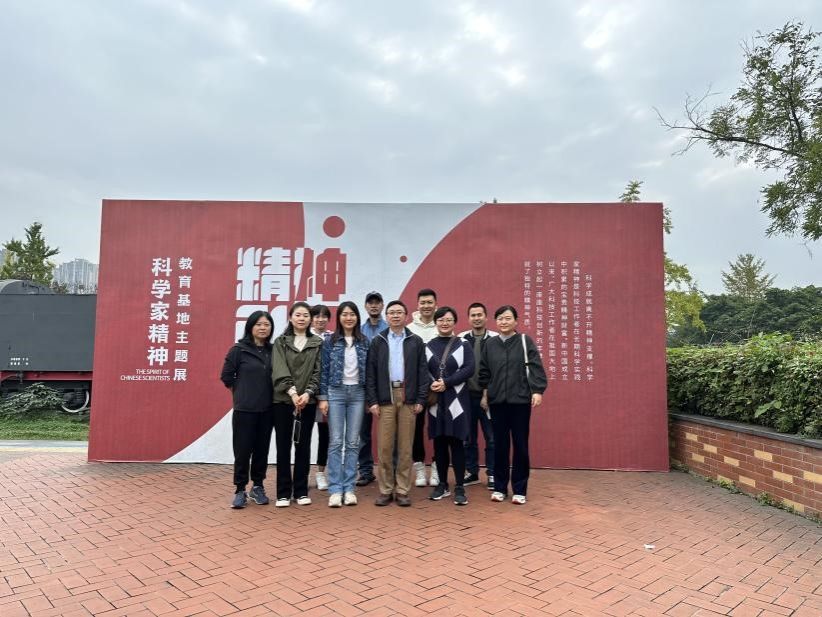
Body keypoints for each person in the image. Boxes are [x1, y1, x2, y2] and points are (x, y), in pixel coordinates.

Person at [479, 305, 547, 505]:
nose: (504, 322)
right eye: (500, 318)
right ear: (496, 321)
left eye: (508, 318)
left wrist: (537, 391)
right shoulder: (490, 344)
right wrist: (486, 394)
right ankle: (500, 488)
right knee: (499, 445)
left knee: (520, 445)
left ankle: (519, 489)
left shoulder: (525, 341)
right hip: (497, 402)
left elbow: (536, 367)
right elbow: (484, 372)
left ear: (516, 321)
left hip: (520, 401)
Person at [366, 300, 430, 507]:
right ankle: (386, 490)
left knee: (405, 447)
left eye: (399, 312)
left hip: (408, 396)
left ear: (406, 316)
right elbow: (370, 373)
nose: (395, 316)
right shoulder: (378, 341)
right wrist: (373, 401)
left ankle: (402, 490)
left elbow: (423, 372)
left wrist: (420, 399)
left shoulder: (415, 341)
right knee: (385, 447)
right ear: (387, 317)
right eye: (391, 312)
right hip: (385, 398)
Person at [220, 311, 276, 509]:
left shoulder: (273, 351)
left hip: (267, 410)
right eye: (259, 324)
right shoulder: (238, 350)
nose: (263, 328)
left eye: (266, 325)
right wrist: (241, 392)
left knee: (262, 450)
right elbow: (226, 376)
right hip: (244, 410)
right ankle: (240, 489)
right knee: (242, 451)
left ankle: (258, 486)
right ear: (250, 326)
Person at [317, 301, 369, 507]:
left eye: (352, 314)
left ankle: (349, 488)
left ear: (357, 317)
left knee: (353, 442)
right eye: (344, 314)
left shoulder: (364, 341)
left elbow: (370, 372)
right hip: (335, 393)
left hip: (358, 394)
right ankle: (335, 489)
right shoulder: (330, 341)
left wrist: (370, 398)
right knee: (336, 441)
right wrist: (323, 397)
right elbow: (323, 370)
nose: (348, 318)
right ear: (339, 318)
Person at [272, 302, 323, 507]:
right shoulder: (281, 342)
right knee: (283, 445)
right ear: (291, 318)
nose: (302, 318)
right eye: (298, 315)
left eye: (305, 315)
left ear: (310, 319)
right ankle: (283, 493)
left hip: (307, 403)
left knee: (303, 446)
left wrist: (308, 393)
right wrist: (293, 393)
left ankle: (301, 491)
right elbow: (279, 369)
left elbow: (318, 371)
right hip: (283, 401)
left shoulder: (317, 343)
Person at [426, 307, 474, 506]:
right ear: (435, 322)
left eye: (448, 320)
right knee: (439, 443)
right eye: (440, 320)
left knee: (457, 442)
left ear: (455, 322)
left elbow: (469, 368)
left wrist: (447, 382)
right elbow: (423, 370)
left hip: (457, 401)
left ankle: (460, 486)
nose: (444, 323)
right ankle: (442, 484)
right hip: (436, 402)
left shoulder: (463, 344)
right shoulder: (428, 345)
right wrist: (432, 383)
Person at [460, 302, 497, 490]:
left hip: (488, 398)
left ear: (486, 317)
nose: (476, 318)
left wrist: (486, 394)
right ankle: (472, 472)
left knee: (492, 438)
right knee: (468, 438)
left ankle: (492, 473)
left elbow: (496, 370)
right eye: (473, 315)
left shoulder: (495, 339)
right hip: (466, 397)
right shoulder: (461, 339)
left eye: (479, 315)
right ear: (468, 318)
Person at [407, 288, 439, 487]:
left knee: (438, 428)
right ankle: (419, 468)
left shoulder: (443, 325)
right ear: (417, 305)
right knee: (415, 429)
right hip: (416, 389)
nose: (426, 306)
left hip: (438, 389)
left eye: (430, 302)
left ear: (436, 304)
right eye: (423, 303)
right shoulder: (409, 329)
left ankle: (436, 467)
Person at [356, 291, 388, 487]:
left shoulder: (390, 328)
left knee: (389, 432)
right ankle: (366, 471)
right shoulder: (359, 331)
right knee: (363, 433)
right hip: (363, 387)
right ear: (366, 306)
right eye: (370, 303)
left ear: (382, 305)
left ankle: (388, 472)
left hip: (386, 386)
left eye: (377, 302)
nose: (374, 305)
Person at [310, 304, 333, 491]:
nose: (320, 319)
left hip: (326, 394)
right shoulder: (304, 337)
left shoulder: (333, 338)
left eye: (324, 316)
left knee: (325, 435)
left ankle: (320, 472)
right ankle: (301, 473)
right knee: (303, 435)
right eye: (316, 316)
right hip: (306, 394)